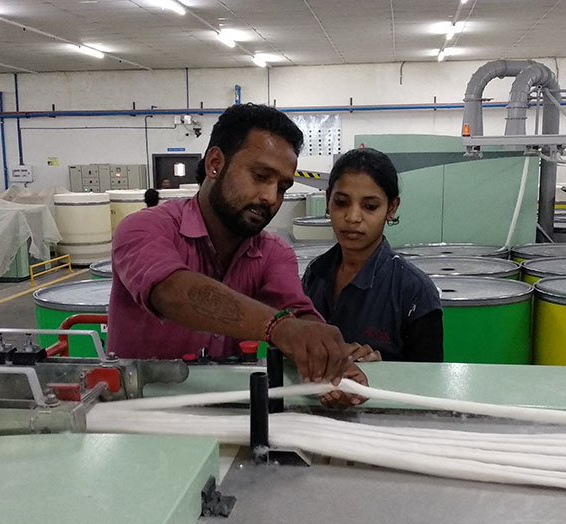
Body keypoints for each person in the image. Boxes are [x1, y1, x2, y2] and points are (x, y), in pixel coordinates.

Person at [108, 103, 370, 402]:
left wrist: (329, 359)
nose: (271, 197)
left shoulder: (273, 253)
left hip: (226, 413)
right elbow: (172, 291)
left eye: (282, 187)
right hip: (135, 412)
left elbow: (298, 315)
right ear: (215, 163)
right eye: (260, 176)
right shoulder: (143, 229)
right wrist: (278, 327)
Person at [302, 148, 444, 362]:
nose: (352, 217)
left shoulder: (414, 292)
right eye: (341, 202)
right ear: (328, 200)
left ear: (391, 208)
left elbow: (429, 377)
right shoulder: (315, 274)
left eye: (370, 206)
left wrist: (381, 370)